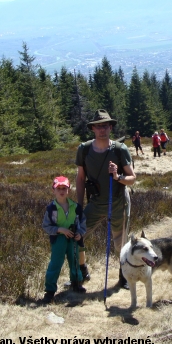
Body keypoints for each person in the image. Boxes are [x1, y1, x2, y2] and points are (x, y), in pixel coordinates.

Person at [75, 109, 136, 289]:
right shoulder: (84, 150)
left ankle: (123, 276)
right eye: (98, 126)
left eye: (105, 126)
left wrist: (118, 177)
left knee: (121, 243)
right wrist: (79, 206)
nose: (102, 129)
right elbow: (80, 178)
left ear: (111, 127)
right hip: (95, 202)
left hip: (118, 202)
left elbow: (132, 179)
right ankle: (81, 271)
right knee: (77, 236)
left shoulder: (120, 150)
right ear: (92, 128)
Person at [42, 176, 86, 304]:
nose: (61, 191)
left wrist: (80, 233)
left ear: (68, 190)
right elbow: (46, 226)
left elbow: (82, 223)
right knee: (55, 264)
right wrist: (60, 230)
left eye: (64, 188)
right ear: (54, 190)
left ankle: (76, 283)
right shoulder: (51, 208)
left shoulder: (76, 207)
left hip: (73, 239)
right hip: (58, 240)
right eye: (59, 188)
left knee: (75, 261)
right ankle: (49, 291)